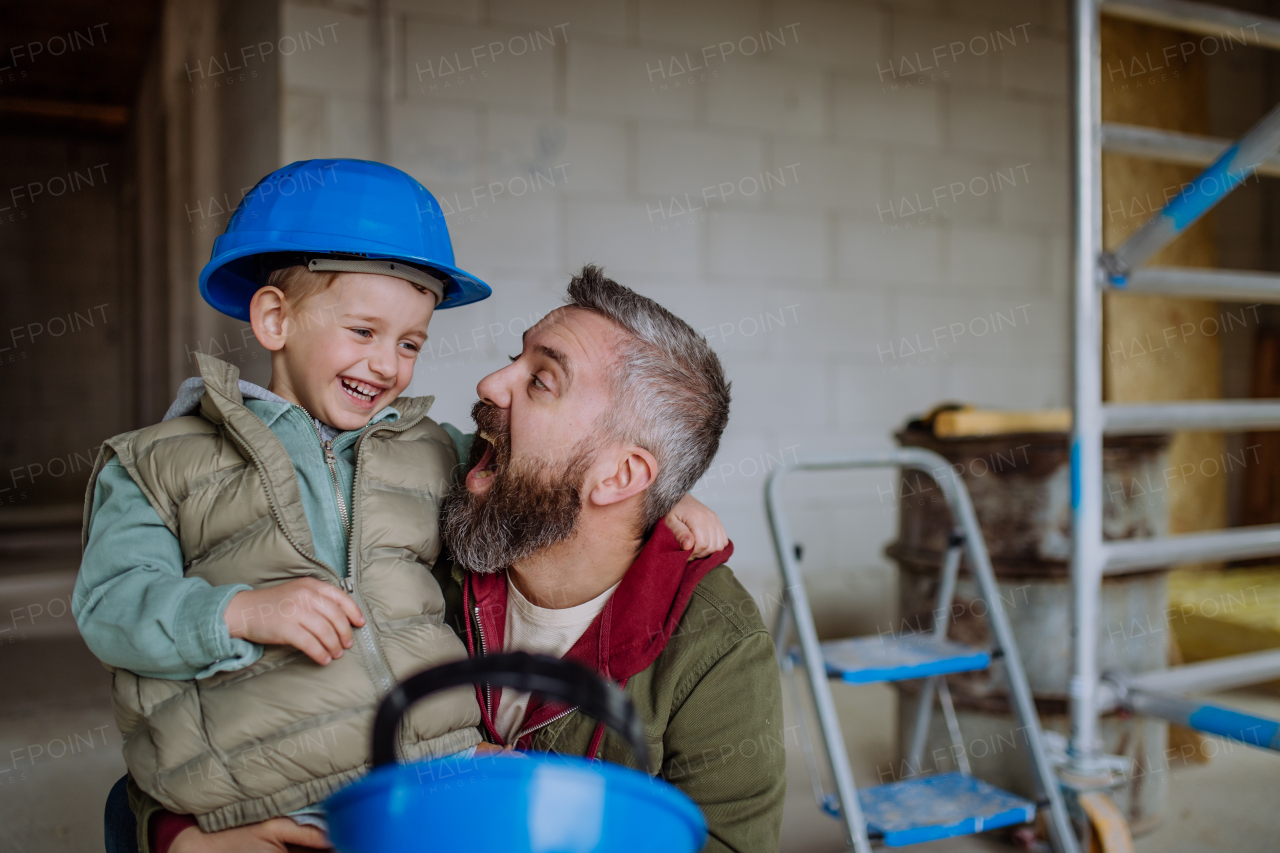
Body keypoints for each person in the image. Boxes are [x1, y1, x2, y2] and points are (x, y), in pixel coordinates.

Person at [77, 161, 726, 853]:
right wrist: (236, 612)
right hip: (260, 785)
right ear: (275, 318)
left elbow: (530, 467)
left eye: (410, 342)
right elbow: (112, 605)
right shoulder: (155, 461)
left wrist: (659, 490)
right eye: (363, 332)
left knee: (559, 809)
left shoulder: (420, 448)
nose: (387, 364)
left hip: (433, 758)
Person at [436, 266, 785, 852]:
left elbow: (727, 842)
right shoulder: (418, 527)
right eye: (514, 361)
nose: (491, 385)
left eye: (541, 381)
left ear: (621, 475)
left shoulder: (718, 645)